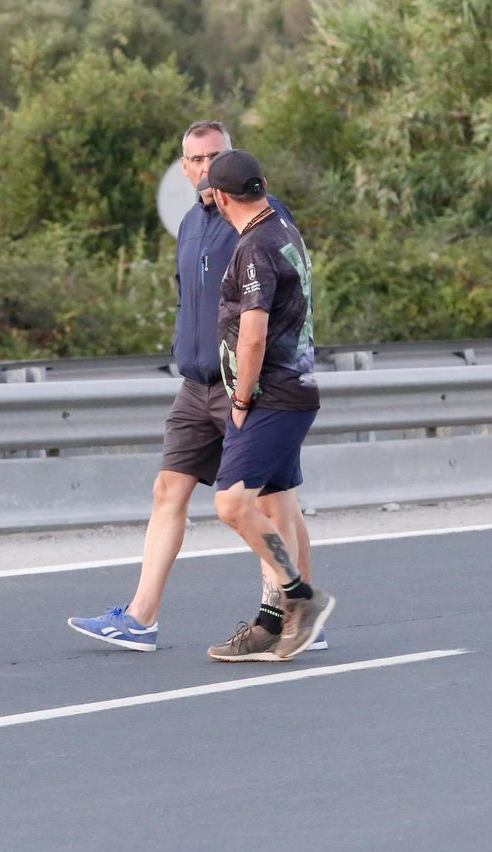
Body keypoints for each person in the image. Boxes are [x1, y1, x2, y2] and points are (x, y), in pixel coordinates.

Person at [67, 121, 319, 654]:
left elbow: (264, 316)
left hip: (250, 388)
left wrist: (247, 392)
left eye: (215, 157)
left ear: (232, 166)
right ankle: (140, 618)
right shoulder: (190, 224)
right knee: (168, 490)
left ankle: (297, 618)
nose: (206, 167)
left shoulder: (259, 222)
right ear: (183, 167)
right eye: (196, 159)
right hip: (196, 383)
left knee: (272, 503)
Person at [202, 148, 333, 662]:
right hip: (292, 391)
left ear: (221, 196)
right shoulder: (282, 227)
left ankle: (302, 598)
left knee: (232, 502)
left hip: (271, 394)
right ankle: (272, 623)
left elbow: (253, 332)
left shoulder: (254, 246)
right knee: (276, 504)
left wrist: (240, 398)